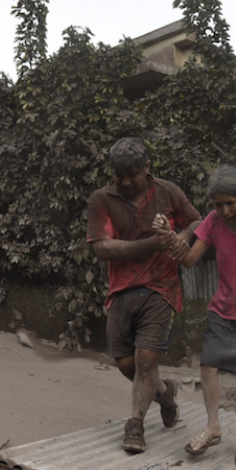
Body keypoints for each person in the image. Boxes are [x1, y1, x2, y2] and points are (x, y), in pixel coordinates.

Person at [155, 164, 236, 466]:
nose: (225, 210)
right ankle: (213, 426)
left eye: (231, 203)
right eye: (218, 204)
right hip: (224, 310)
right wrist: (169, 237)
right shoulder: (213, 222)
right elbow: (189, 260)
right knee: (208, 366)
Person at [86, 137, 202, 453]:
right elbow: (102, 248)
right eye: (118, 175)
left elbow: (196, 221)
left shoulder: (168, 191)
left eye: (132, 175)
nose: (124, 181)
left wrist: (182, 237)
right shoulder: (101, 199)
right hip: (121, 290)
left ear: (147, 168)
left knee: (146, 358)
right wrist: (153, 243)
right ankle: (165, 392)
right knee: (126, 364)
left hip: (161, 286)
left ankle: (135, 425)